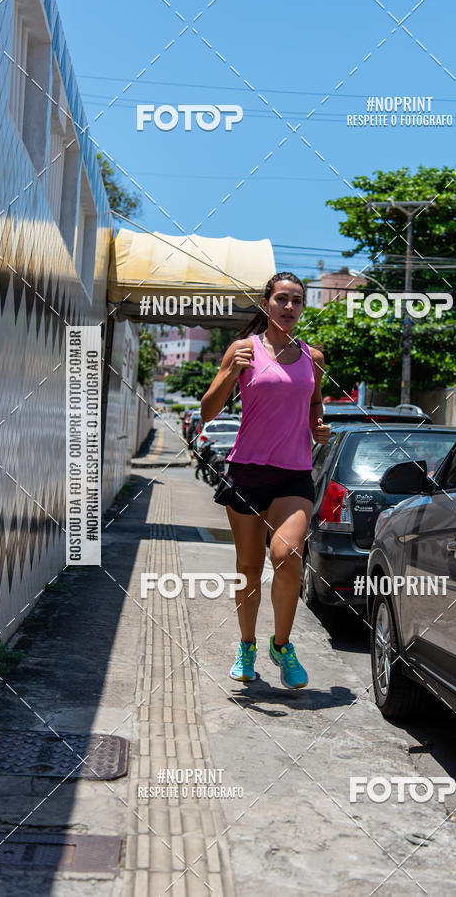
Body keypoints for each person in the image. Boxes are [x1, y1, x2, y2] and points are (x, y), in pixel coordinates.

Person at [199, 272, 330, 689]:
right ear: (266, 304)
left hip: (294, 473)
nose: (289, 307)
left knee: (287, 554)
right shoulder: (243, 350)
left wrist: (319, 427)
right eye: (281, 299)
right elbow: (207, 412)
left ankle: (283, 645)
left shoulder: (314, 357)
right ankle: (247, 644)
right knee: (248, 568)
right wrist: (227, 375)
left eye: (296, 301)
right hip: (247, 471)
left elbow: (314, 406)